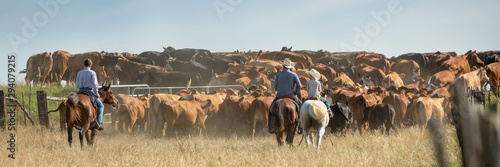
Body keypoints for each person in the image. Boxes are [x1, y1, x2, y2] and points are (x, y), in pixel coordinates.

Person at [268, 58, 302, 134]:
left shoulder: (278, 74)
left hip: (280, 96)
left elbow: (275, 87)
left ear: (283, 66)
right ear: (290, 67)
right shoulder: (294, 74)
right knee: (301, 108)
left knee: (270, 109)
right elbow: (299, 86)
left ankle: (270, 127)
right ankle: (300, 126)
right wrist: (295, 93)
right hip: (291, 96)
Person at [76, 58, 104, 131]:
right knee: (101, 106)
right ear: (91, 65)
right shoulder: (92, 73)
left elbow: (77, 84)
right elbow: (95, 84)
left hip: (80, 91)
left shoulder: (79, 73)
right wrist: (97, 93)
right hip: (89, 91)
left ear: (84, 65)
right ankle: (98, 123)